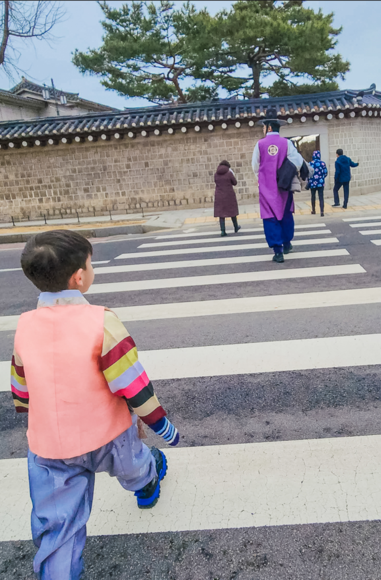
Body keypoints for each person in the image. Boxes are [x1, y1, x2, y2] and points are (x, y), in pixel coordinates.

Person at [13, 230, 182, 579]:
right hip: (108, 433)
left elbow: (21, 382)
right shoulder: (102, 321)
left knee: (59, 525)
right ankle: (148, 481)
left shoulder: (24, 326)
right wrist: (159, 422)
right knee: (134, 465)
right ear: (79, 277)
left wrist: (28, 409)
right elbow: (131, 381)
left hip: (50, 447)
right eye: (91, 264)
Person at [252, 108, 305, 263]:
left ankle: (278, 252)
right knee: (286, 214)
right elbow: (298, 160)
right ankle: (287, 244)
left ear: (268, 127)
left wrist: (261, 179)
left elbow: (255, 166)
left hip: (267, 188)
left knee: (270, 218)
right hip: (284, 187)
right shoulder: (287, 143)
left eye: (264, 127)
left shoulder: (260, 144)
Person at [214, 160, 241, 237]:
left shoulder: (216, 174)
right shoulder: (229, 173)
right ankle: (236, 227)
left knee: (221, 213)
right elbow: (235, 183)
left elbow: (216, 182)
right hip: (229, 195)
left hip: (219, 195)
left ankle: (223, 231)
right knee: (232, 211)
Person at [307, 150, 328, 216]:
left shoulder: (310, 163)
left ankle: (313, 210)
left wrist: (309, 180)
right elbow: (325, 172)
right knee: (321, 197)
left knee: (313, 196)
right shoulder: (323, 163)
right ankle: (322, 211)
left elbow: (308, 173)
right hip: (321, 183)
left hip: (312, 182)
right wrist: (322, 178)